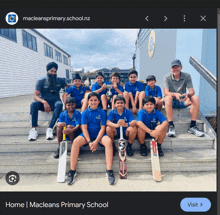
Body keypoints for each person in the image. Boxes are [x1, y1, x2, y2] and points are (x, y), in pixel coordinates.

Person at [66, 92, 115, 185]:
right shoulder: (84, 113)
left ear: (98, 101)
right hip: (87, 135)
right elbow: (84, 128)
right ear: (88, 101)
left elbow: (102, 128)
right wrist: (89, 142)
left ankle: (109, 171)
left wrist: (96, 142)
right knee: (76, 142)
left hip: (99, 135)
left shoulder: (102, 112)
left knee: (108, 141)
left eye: (95, 100)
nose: (93, 102)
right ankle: (72, 171)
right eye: (91, 100)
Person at [28, 62, 69, 141]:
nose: (53, 73)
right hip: (44, 102)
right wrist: (44, 102)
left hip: (55, 102)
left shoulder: (60, 80)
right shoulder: (41, 81)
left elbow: (67, 85)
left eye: (55, 71)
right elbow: (35, 96)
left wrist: (79, 84)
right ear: (47, 71)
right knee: (33, 104)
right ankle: (33, 130)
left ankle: (50, 128)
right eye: (51, 71)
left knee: (60, 104)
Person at [164, 59, 205, 137]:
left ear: (181, 67)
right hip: (171, 101)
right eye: (173, 67)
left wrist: (187, 95)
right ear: (171, 69)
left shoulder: (186, 76)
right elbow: (166, 92)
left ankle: (193, 126)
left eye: (177, 67)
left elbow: (192, 91)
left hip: (182, 101)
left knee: (195, 98)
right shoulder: (167, 77)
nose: (175, 69)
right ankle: (171, 125)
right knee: (168, 97)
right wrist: (175, 94)